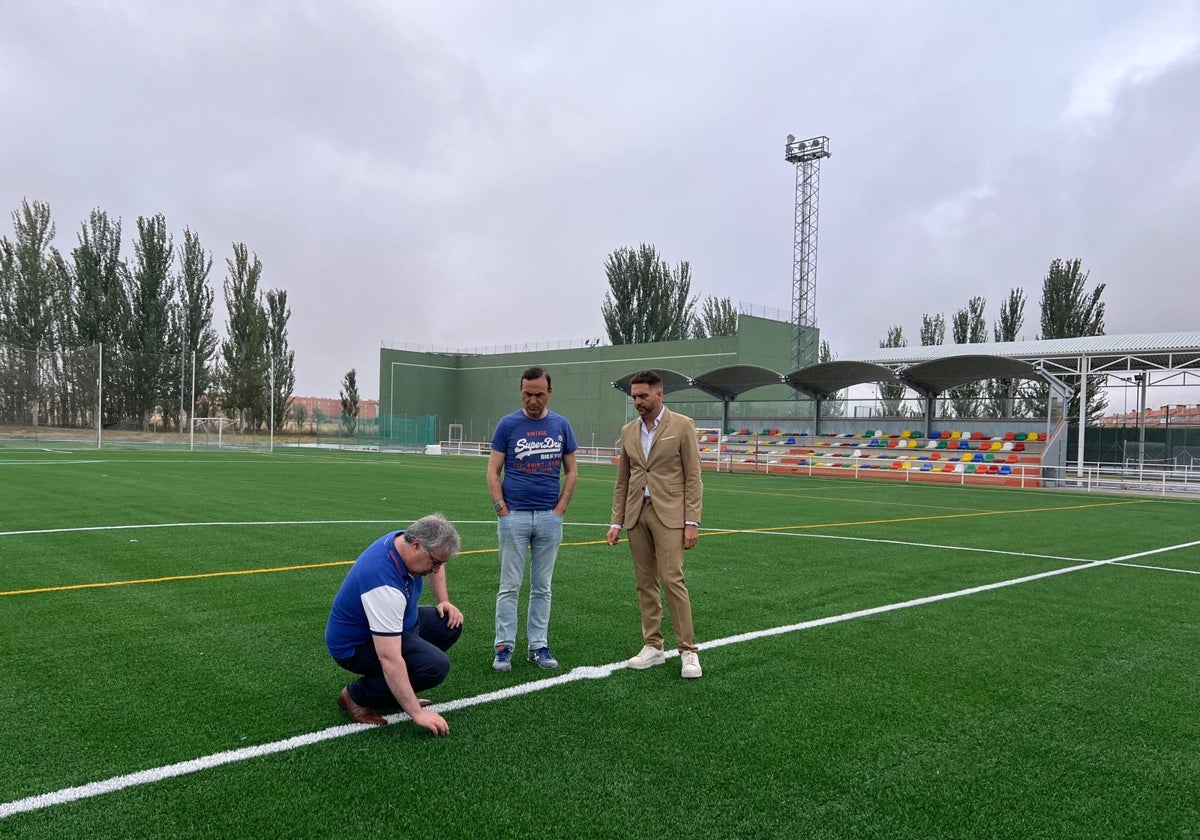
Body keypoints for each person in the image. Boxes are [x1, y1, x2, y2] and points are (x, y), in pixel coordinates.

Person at [325, 513, 464, 735]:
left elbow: (437, 561)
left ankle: (392, 690)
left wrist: (443, 601)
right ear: (417, 546)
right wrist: (416, 712)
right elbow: (389, 658)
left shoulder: (403, 541)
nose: (436, 569)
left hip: (400, 623)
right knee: (435, 667)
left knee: (449, 624)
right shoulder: (383, 585)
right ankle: (356, 696)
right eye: (435, 563)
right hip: (356, 646)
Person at [606, 369, 704, 679]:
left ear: (659, 394)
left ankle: (688, 650)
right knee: (644, 582)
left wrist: (692, 522)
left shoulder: (682, 426)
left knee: (672, 579)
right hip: (637, 514)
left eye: (643, 396)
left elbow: (693, 477)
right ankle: (653, 646)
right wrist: (616, 522)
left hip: (671, 515)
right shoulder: (627, 431)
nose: (637, 401)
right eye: (634, 396)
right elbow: (623, 480)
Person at [487, 365, 578, 671]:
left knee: (543, 587)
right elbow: (492, 470)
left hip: (550, 518)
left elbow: (572, 471)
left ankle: (538, 646)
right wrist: (501, 507)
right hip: (514, 517)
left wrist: (560, 508)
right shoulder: (507, 425)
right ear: (521, 392)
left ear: (549, 392)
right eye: (528, 394)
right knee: (509, 586)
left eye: (539, 394)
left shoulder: (561, 425)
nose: (533, 400)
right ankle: (504, 647)